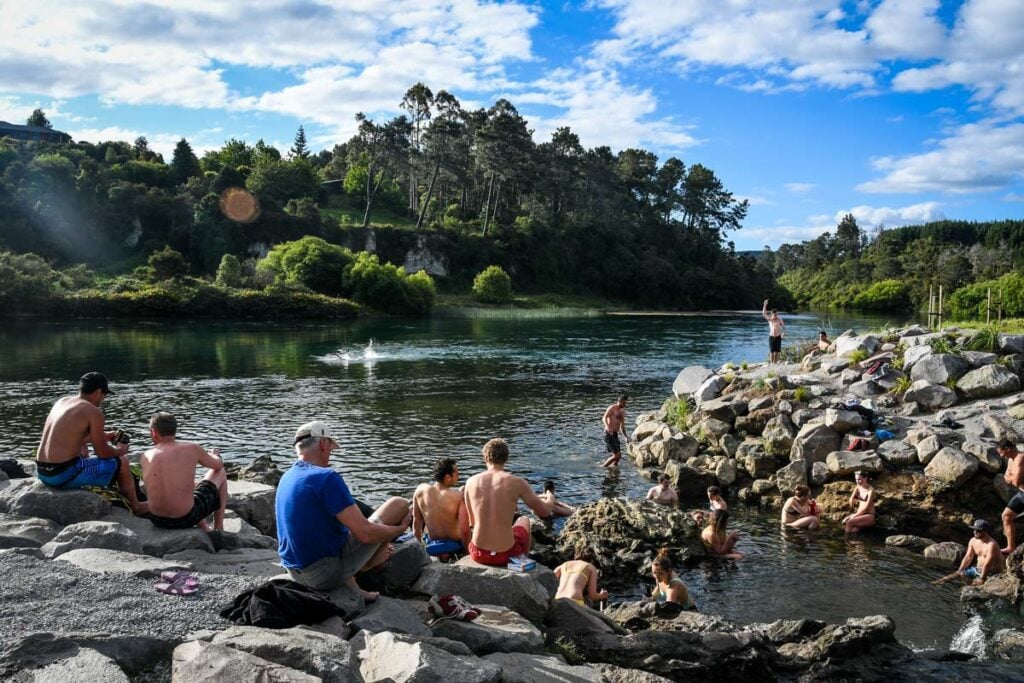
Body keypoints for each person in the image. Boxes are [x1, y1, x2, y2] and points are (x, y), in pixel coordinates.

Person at [276, 421, 412, 601]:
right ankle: (366, 566)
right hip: (322, 575)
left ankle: (355, 587)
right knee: (399, 504)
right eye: (331, 449)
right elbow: (365, 534)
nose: (330, 455)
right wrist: (399, 530)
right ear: (324, 444)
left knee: (347, 524)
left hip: (294, 571)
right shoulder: (326, 477)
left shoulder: (287, 477)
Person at [35, 372, 147, 515]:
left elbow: (71, 437)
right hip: (62, 475)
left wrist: (104, 436)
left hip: (42, 472)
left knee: (91, 459)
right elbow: (103, 453)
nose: (103, 399)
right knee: (123, 463)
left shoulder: (62, 402)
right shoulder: (93, 411)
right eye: (104, 395)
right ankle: (137, 506)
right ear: (98, 392)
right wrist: (121, 450)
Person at [464, 438, 553, 566]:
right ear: (506, 458)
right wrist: (550, 498)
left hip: (478, 553)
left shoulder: (470, 482)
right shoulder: (517, 482)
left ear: (485, 457)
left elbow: (472, 523)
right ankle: (521, 560)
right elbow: (544, 512)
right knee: (524, 520)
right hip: (506, 554)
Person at [140, 412, 227, 531]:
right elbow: (217, 465)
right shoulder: (191, 448)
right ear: (174, 430)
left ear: (154, 432)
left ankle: (205, 527)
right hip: (185, 518)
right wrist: (215, 455)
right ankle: (218, 528)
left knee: (189, 485)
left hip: (157, 519)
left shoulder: (145, 456)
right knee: (220, 472)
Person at [412, 457, 470, 552]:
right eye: (457, 474)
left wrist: (419, 549)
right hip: (455, 544)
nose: (458, 477)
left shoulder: (420, 491)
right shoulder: (457, 496)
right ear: (447, 477)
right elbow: (465, 530)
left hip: (433, 542)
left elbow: (416, 523)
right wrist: (467, 551)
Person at [934, 519, 1005, 585]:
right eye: (974, 530)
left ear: (985, 532)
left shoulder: (991, 545)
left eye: (978, 531)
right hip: (977, 569)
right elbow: (968, 557)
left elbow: (988, 564)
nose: (975, 532)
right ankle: (937, 583)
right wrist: (960, 570)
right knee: (956, 574)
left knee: (970, 587)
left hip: (991, 573)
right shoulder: (973, 541)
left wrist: (982, 578)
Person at [997, 439, 1024, 555]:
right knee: (1006, 516)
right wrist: (1011, 478)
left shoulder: (1021, 458)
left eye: (1001, 452)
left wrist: (1011, 478)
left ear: (1008, 449)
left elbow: (1016, 481)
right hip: (1022, 493)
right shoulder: (1010, 460)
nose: (1001, 456)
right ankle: (1010, 547)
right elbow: (1006, 477)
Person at [601, 395, 630, 468]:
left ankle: (614, 469)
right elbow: (604, 417)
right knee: (616, 455)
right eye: (623, 403)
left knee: (619, 457)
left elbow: (622, 426)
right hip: (609, 434)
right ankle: (603, 467)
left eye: (626, 403)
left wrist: (625, 437)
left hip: (615, 434)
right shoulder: (612, 408)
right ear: (619, 401)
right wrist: (608, 427)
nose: (624, 405)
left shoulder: (622, 412)